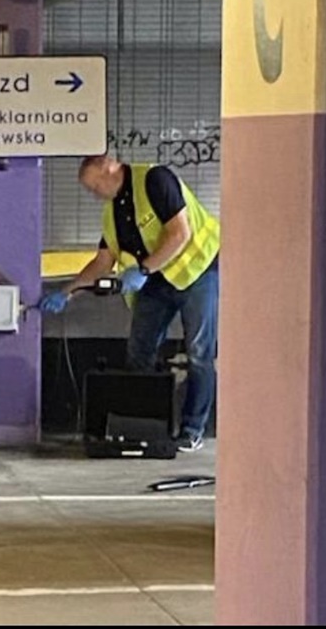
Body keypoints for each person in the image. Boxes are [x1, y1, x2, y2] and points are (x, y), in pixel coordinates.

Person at [40, 155, 220, 452]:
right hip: (155, 282)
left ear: (110, 168)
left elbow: (181, 233)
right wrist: (68, 291)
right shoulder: (112, 214)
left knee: (199, 352)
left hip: (197, 271)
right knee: (139, 349)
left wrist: (144, 270)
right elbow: (102, 262)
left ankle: (192, 429)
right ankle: (145, 425)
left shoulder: (155, 180)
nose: (94, 194)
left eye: (94, 185)